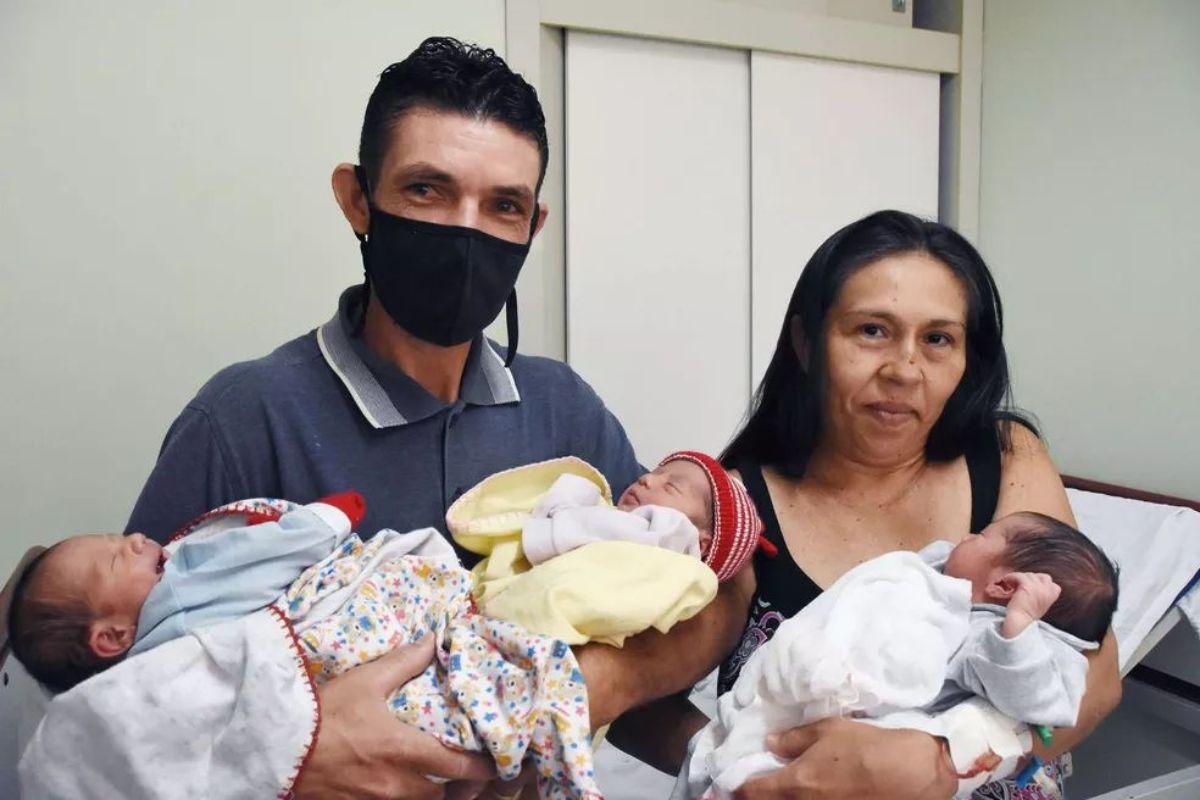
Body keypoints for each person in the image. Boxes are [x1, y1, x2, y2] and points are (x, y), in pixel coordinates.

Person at [46, 37, 749, 800]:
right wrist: (290, 755)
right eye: (427, 191)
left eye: (502, 206)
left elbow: (700, 588)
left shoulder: (563, 411)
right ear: (357, 199)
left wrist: (597, 687)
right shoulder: (244, 420)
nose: (465, 230)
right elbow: (120, 720)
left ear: (533, 227)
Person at [609, 210, 1122, 800]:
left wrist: (945, 763)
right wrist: (754, 768)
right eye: (872, 330)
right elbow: (634, 698)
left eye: (937, 339)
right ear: (807, 343)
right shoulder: (736, 508)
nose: (904, 370)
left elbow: (1096, 678)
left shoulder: (1005, 458)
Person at [10, 495, 603, 799]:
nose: (140, 539)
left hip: (424, 629)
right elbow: (100, 750)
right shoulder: (162, 632)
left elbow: (697, 626)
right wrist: (285, 752)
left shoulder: (561, 402)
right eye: (120, 552)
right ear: (110, 638)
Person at [678, 511, 1119, 798]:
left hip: (877, 737)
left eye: (980, 536)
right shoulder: (940, 583)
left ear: (1005, 586)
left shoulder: (999, 636)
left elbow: (1037, 700)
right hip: (819, 734)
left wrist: (1018, 630)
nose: (962, 537)